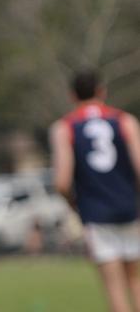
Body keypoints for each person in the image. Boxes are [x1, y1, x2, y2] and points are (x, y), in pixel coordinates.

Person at [50, 70, 140, 312]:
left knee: (114, 285)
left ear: (72, 96)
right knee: (135, 279)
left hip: (96, 212)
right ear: (102, 91)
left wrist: (74, 204)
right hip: (130, 209)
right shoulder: (125, 121)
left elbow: (61, 181)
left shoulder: (64, 128)